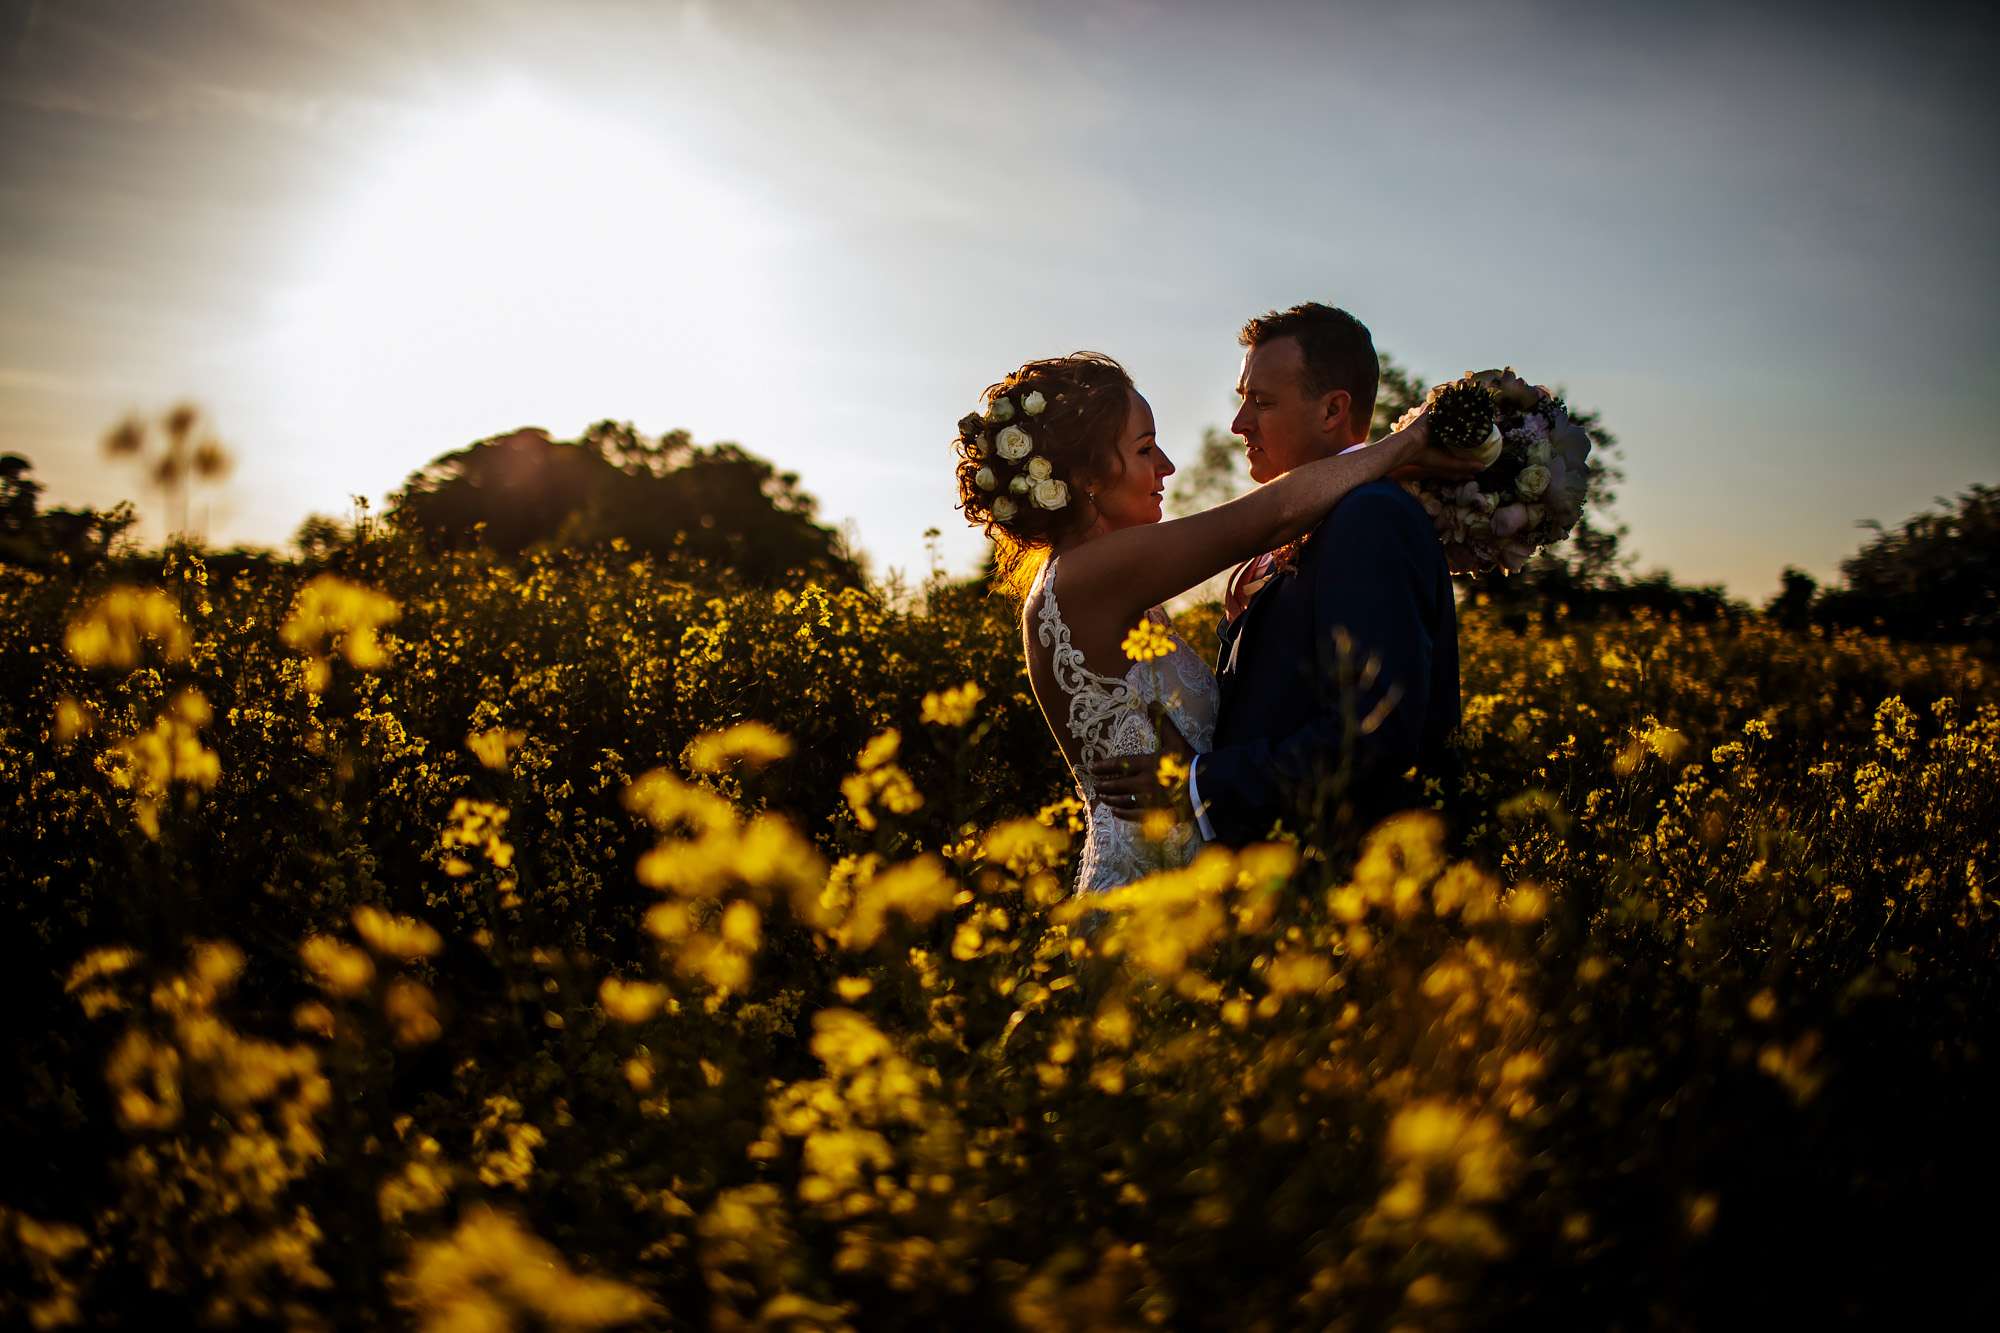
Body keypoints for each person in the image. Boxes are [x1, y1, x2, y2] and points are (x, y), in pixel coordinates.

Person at [952, 341, 1475, 894]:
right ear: (1088, 475)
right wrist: (1410, 441)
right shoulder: (1086, 574)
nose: (1168, 466)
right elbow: (1272, 515)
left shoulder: (1098, 582)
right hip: (1148, 885)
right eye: (1146, 448)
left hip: (1193, 886)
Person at [1088, 304, 1462, 849]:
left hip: (1347, 875)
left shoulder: (1369, 517)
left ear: (1334, 410)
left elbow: (1374, 732)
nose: (1239, 424)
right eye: (1243, 399)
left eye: (1262, 402)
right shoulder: (1306, 520)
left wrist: (1198, 783)